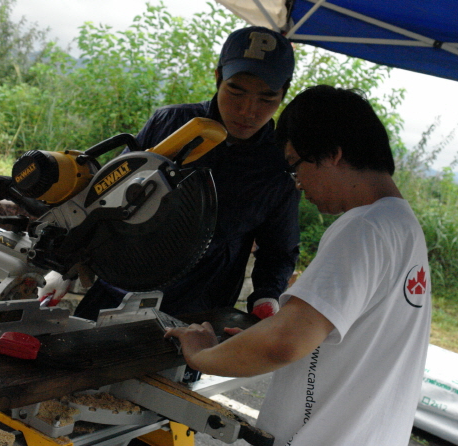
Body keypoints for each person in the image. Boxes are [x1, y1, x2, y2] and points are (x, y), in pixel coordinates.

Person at [165, 85, 432, 446]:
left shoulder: (363, 228)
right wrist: (265, 333)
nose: (298, 183)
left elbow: (285, 343)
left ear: (333, 154)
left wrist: (201, 355)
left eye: (295, 165)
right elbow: (325, 331)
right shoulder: (404, 227)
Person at [66, 26, 301, 322]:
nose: (247, 111)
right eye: (236, 91)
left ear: (284, 93)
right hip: (118, 291)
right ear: (218, 77)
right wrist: (71, 258)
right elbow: (107, 193)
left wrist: (267, 297)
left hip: (200, 313)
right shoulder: (170, 123)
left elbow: (279, 250)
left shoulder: (278, 163)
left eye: (266, 99)